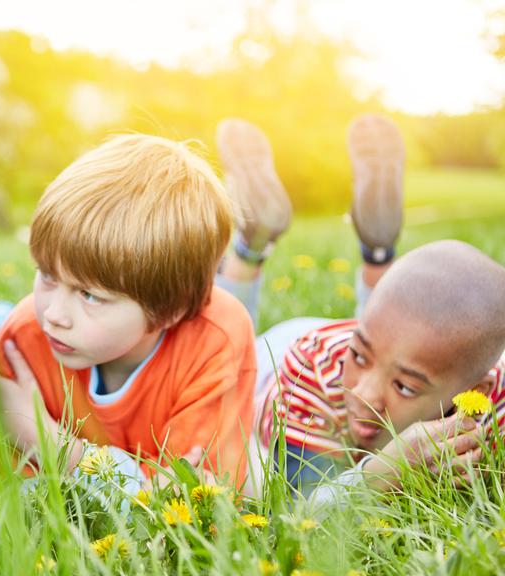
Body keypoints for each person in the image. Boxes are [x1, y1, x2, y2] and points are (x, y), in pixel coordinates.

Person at [214, 115, 505, 497]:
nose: (363, 394)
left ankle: (378, 250)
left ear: (477, 389)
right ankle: (251, 242)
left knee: (397, 341)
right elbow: (306, 510)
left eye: (404, 387)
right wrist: (383, 474)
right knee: (223, 351)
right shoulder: (309, 380)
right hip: (288, 354)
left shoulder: (488, 408)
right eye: (360, 358)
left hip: (387, 335)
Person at [0, 134, 256, 485]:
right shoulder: (24, 338)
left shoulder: (216, 340)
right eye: (48, 276)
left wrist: (49, 443)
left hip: (262, 388)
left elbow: (184, 498)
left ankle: (253, 247)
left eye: (89, 295)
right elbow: (20, 492)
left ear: (169, 310)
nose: (54, 314)